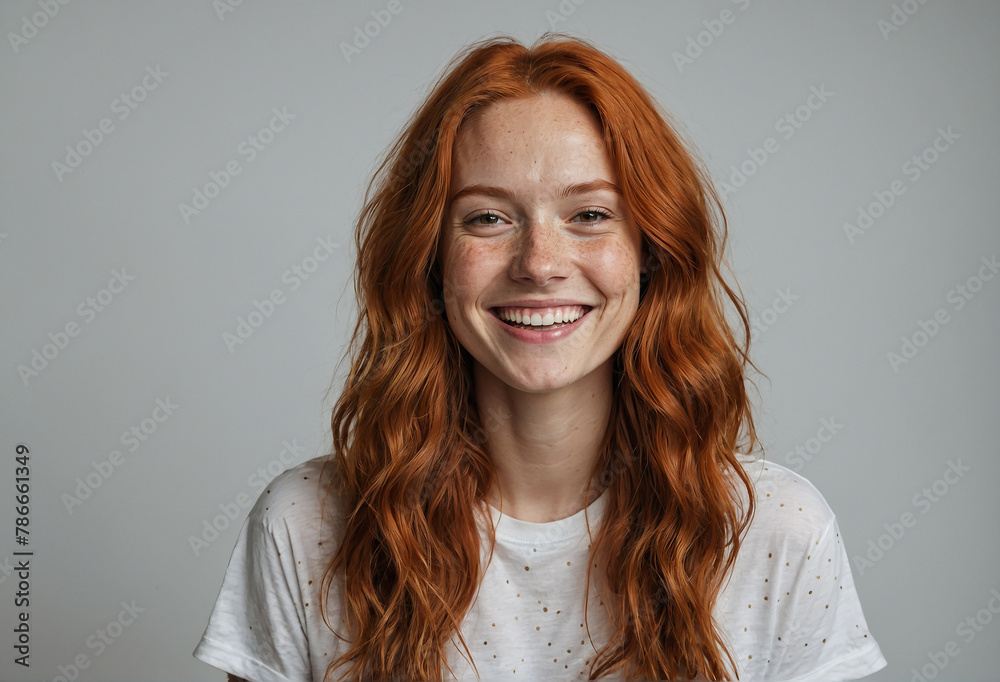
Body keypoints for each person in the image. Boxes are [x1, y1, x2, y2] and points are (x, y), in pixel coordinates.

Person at [193, 34, 888, 681]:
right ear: (428, 258)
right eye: (488, 218)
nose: (539, 264)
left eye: (589, 215)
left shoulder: (779, 533)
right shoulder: (305, 524)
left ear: (651, 253)